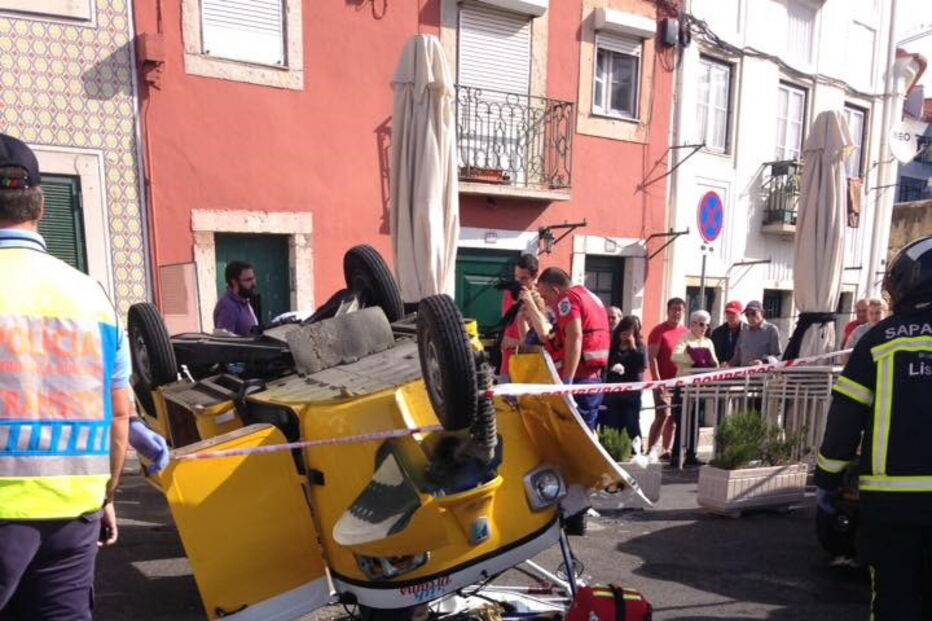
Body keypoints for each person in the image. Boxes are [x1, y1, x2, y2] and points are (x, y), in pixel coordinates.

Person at [0, 134, 133, 619]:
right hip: (74, 514)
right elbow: (120, 416)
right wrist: (105, 496)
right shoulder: (92, 296)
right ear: (40, 206)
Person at [814, 234, 932, 620]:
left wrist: (827, 478)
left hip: (892, 504)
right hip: (892, 504)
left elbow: (845, 418)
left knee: (895, 602)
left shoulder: (880, 340)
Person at [520, 267, 610, 429]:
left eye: (545, 297)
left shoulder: (567, 299)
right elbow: (549, 336)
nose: (546, 303)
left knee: (573, 434)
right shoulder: (591, 297)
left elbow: (574, 336)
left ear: (555, 291)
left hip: (577, 378)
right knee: (587, 430)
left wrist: (567, 382)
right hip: (594, 377)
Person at [646, 297, 688, 460]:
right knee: (662, 415)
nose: (677, 313)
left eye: (680, 310)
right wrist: (658, 381)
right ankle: (650, 448)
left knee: (673, 418)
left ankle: (666, 449)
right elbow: (652, 357)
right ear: (668, 311)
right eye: (674, 309)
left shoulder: (686, 332)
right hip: (663, 382)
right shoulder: (659, 331)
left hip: (680, 381)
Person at [601, 315, 647, 446]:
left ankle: (635, 448)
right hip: (613, 393)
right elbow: (605, 364)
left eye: (630, 333)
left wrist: (632, 347)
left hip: (631, 394)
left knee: (631, 423)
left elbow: (642, 366)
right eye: (625, 332)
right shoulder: (613, 347)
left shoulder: (640, 347)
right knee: (613, 423)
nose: (627, 336)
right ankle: (614, 448)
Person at [499, 253, 539, 380]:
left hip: (527, 366)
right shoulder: (509, 294)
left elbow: (540, 340)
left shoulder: (539, 298)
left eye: (523, 279)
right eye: (516, 277)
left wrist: (514, 342)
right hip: (507, 363)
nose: (518, 283)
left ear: (534, 277)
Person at [729, 300, 782, 367]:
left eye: (753, 313)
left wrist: (763, 362)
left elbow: (777, 356)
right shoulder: (744, 331)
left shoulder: (771, 330)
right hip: (744, 372)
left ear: (762, 313)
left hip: (763, 372)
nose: (750, 317)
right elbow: (737, 357)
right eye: (747, 314)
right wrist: (728, 365)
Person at [214, 260, 259, 336]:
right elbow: (225, 340)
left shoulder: (244, 301)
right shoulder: (228, 306)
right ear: (234, 282)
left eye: (253, 278)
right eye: (248, 280)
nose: (253, 283)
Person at [671, 310, 719, 375]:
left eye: (707, 325)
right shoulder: (685, 339)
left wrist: (713, 363)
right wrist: (693, 359)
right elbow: (674, 357)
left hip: (703, 379)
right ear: (693, 324)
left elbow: (716, 364)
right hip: (686, 378)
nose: (705, 327)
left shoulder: (709, 342)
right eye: (701, 324)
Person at [710, 300, 745, 366]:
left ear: (741, 314)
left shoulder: (747, 331)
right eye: (728, 313)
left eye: (734, 313)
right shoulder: (717, 333)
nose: (730, 316)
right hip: (721, 369)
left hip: (742, 370)